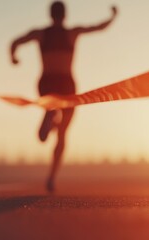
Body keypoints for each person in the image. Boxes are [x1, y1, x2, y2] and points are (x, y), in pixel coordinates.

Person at [10, 1, 118, 192]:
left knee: (44, 136)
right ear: (65, 15)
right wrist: (113, 16)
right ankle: (51, 176)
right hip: (66, 85)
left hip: (47, 84)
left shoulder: (41, 33)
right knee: (63, 134)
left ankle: (50, 116)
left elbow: (15, 42)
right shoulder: (72, 33)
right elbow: (98, 27)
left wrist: (14, 57)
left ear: (50, 15)